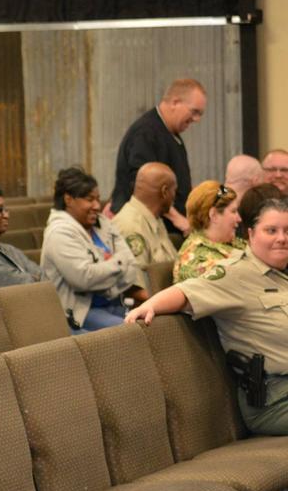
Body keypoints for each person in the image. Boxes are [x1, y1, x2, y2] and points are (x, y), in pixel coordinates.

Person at [126, 198, 288, 436]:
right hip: (274, 401)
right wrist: (150, 304)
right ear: (251, 234)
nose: (281, 238)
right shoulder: (236, 273)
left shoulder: (279, 273)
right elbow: (187, 291)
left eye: (287, 231)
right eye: (271, 230)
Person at [41, 167, 147, 332]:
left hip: (114, 303)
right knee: (132, 331)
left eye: (98, 199)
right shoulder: (59, 233)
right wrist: (118, 264)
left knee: (151, 321)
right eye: (90, 199)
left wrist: (104, 271)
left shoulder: (102, 223)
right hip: (80, 313)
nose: (97, 206)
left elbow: (131, 266)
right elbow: (84, 278)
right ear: (68, 199)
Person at [109, 78, 207, 234]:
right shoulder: (146, 134)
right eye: (194, 112)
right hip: (144, 229)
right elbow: (147, 187)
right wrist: (179, 220)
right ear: (175, 102)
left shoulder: (172, 134)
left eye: (200, 114)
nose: (197, 119)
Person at [173, 180, 246, 282]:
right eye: (233, 211)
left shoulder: (230, 241)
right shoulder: (196, 259)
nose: (239, 218)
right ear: (214, 215)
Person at [111, 162, 179, 270]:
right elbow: (135, 286)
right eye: (174, 191)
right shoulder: (131, 227)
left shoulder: (155, 219)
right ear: (164, 192)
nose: (175, 197)